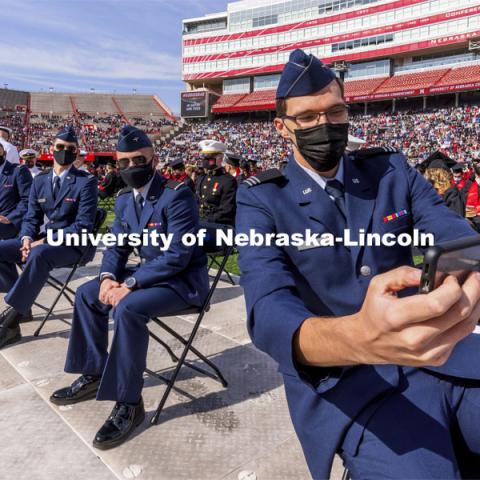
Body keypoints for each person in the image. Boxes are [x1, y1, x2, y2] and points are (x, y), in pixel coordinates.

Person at [236, 49, 480, 479]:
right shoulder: (261, 198)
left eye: (335, 112)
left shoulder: (389, 170)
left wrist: (465, 269)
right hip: (351, 385)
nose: (324, 126)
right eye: (308, 118)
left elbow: (449, 230)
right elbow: (268, 306)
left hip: (443, 353)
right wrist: (358, 337)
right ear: (282, 127)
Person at [50, 126, 209, 450]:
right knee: (87, 293)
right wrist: (109, 277)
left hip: (182, 281)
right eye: (123, 162)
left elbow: (178, 255)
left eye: (139, 160)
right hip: (151, 275)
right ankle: (94, 373)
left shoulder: (176, 195)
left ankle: (129, 402)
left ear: (155, 159)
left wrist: (131, 284)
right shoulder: (124, 201)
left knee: (129, 307)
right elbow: (116, 249)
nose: (130, 167)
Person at [0, 125, 98, 348]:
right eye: (60, 146)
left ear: (76, 152)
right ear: (51, 148)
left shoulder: (86, 181)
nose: (65, 150)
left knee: (40, 253)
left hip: (75, 244)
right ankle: (22, 305)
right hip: (42, 241)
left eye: (70, 148)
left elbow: (83, 226)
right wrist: (25, 238)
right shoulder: (40, 181)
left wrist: (42, 241)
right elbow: (31, 218)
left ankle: (11, 322)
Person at [195, 140, 237, 226]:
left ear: (220, 158)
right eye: (204, 157)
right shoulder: (201, 178)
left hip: (218, 225)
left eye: (210, 157)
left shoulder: (228, 181)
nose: (206, 160)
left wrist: (206, 222)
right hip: (200, 222)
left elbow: (227, 209)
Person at [0, 143, 32, 240]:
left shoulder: (18, 171)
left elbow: (28, 199)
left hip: (9, 224)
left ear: (4, 153)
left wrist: (10, 218)